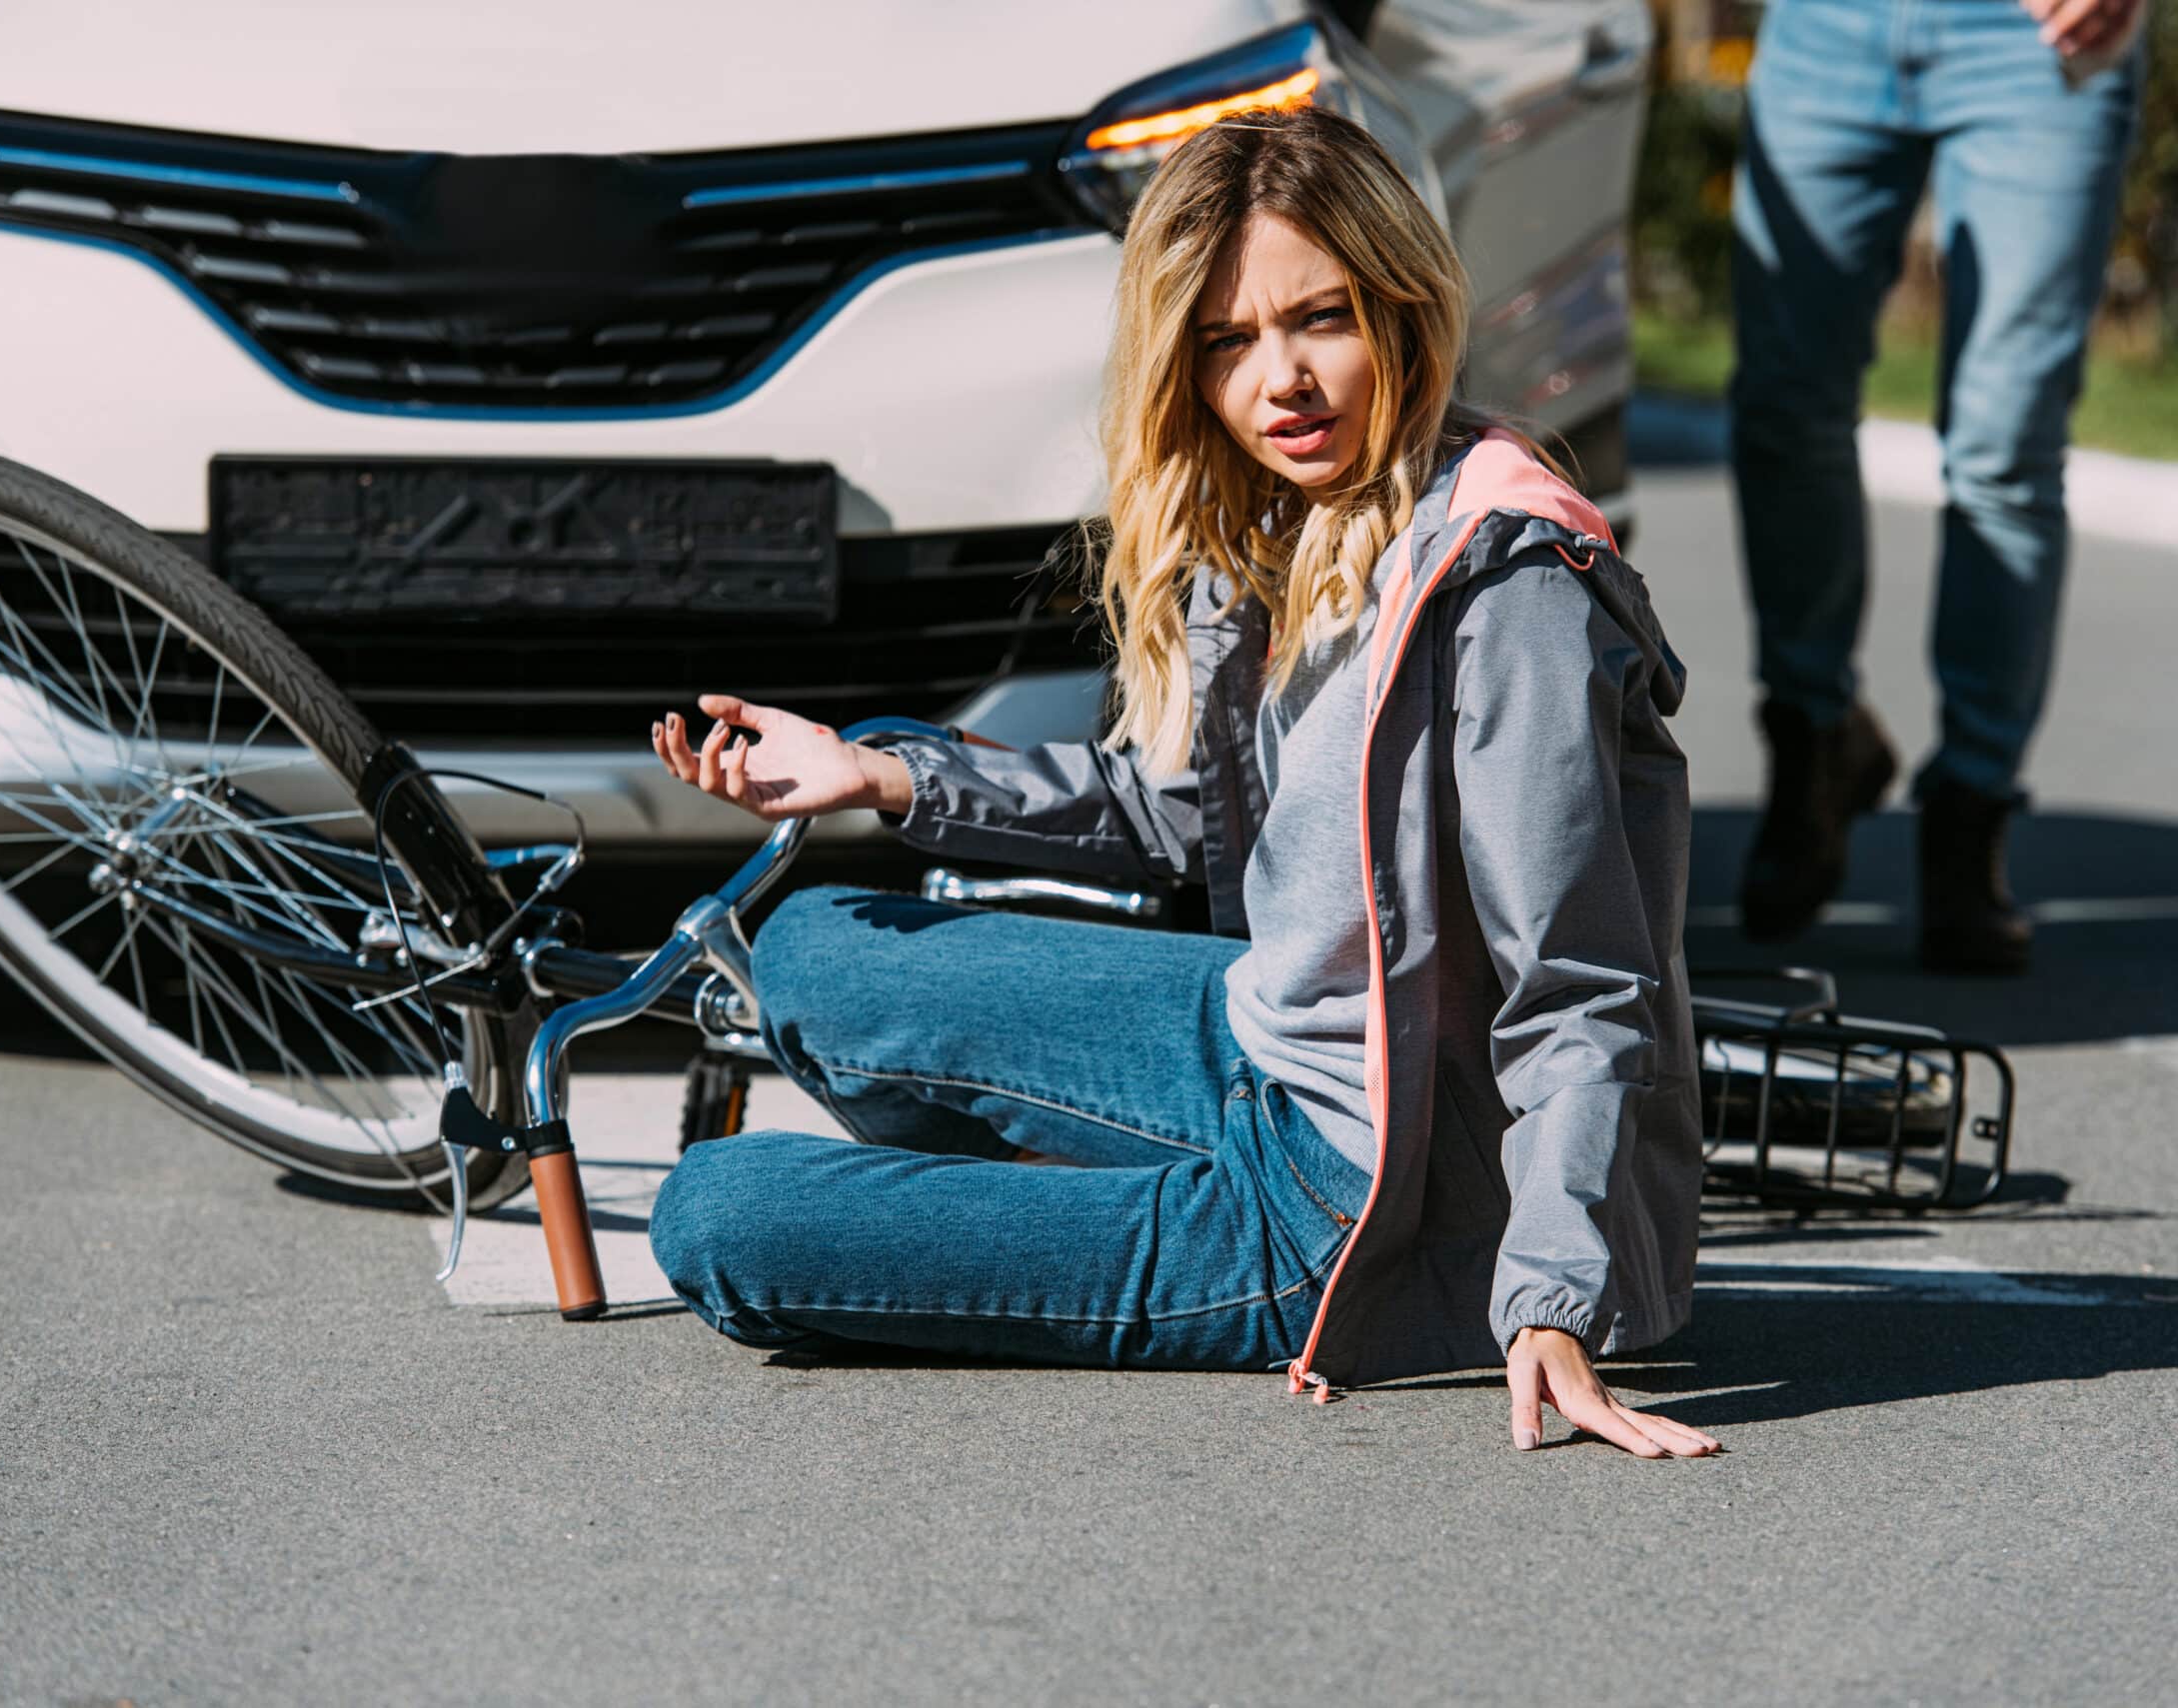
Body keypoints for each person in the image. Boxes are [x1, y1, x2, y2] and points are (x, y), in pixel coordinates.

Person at [645, 106, 1715, 1459]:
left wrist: (1553, 1295)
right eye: (1227, 342)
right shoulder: (1286, 513)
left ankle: (1098, 1235)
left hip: (1358, 1196)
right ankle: (1063, 1210)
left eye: (1318, 318)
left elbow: (1580, 982)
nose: (1284, 381)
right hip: (1257, 1037)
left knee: (718, 1219)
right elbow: (1183, 811)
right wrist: (881, 774)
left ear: (1399, 303)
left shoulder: (1501, 586)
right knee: (812, 947)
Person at [1727, 0, 2146, 972]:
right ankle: (1812, 736)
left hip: (2032, 32)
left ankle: (1970, 811)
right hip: (1826, 25)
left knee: (2005, 445)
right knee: (1783, 407)